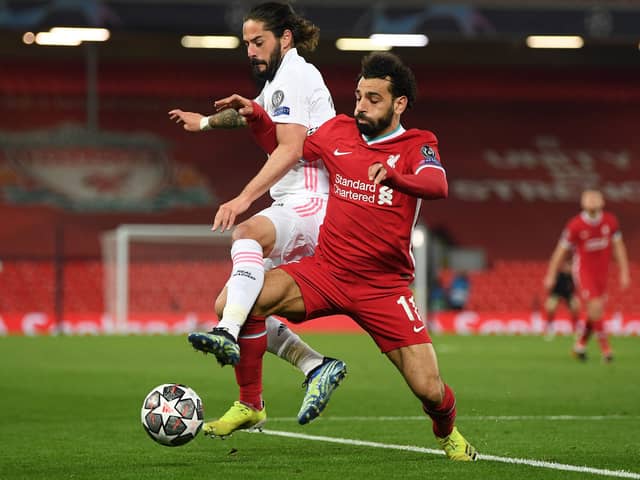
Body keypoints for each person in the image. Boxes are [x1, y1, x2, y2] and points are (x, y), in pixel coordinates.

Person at [189, 52, 478, 461]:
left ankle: (447, 433)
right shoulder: (338, 131)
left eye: (373, 99)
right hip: (326, 271)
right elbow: (284, 146)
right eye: (359, 96)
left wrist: (396, 176)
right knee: (235, 304)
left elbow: (437, 184)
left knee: (429, 388)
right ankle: (251, 403)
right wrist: (257, 115)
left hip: (383, 287)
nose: (360, 105)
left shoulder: (418, 144)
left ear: (399, 104)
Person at [169, 2, 347, 435]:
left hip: (313, 197)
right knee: (230, 301)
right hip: (293, 200)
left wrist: (242, 198)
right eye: (246, 42)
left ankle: (227, 334)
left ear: (285, 37)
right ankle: (307, 369)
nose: (249, 50)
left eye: (258, 41)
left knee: (245, 232)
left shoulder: (295, 75)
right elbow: (253, 113)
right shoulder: (279, 80)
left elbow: (289, 148)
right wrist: (208, 122)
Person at [544, 189, 630, 362]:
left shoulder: (610, 221)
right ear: (582, 203)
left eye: (595, 197)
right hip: (584, 272)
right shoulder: (575, 225)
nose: (591, 200)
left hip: (603, 273)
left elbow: (619, 247)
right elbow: (560, 251)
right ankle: (606, 351)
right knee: (596, 307)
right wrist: (551, 273)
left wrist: (624, 271)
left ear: (602, 201)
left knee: (594, 311)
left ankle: (580, 346)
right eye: (588, 198)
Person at [543, 257, 580, 339]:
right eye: (567, 266)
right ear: (564, 266)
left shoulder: (573, 277)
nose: (569, 268)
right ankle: (550, 327)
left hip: (568, 295)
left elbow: (575, 289)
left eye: (570, 266)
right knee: (550, 306)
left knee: (575, 306)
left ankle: (576, 328)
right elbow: (550, 286)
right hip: (556, 294)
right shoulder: (558, 275)